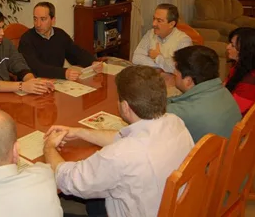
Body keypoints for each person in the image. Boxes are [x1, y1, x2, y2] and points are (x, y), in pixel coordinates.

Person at [43, 65, 194, 217]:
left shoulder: (119, 156)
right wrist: (79, 132)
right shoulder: (175, 122)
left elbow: (68, 181)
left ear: (125, 107)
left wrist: (49, 148)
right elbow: (123, 138)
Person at [167, 45, 241, 142]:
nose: (174, 74)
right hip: (228, 152)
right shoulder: (223, 91)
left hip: (207, 155)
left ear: (188, 81)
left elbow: (151, 110)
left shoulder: (180, 112)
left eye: (176, 71)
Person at [19, 2, 102, 80]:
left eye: (43, 19)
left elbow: (76, 54)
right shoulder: (26, 39)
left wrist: (92, 62)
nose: (38, 24)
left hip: (57, 82)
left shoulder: (60, 34)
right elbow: (36, 68)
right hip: (35, 84)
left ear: (53, 20)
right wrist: (64, 73)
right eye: (35, 19)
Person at [132, 3, 192, 73]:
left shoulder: (184, 41)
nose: (153, 24)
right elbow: (136, 58)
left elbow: (178, 68)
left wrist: (157, 57)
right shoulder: (150, 34)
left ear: (171, 24)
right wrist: (162, 64)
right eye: (154, 18)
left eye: (159, 21)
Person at [224, 27, 255, 116]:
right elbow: (225, 87)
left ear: (246, 51)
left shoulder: (251, 81)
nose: (227, 47)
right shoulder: (241, 66)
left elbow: (234, 113)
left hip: (239, 124)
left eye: (233, 45)